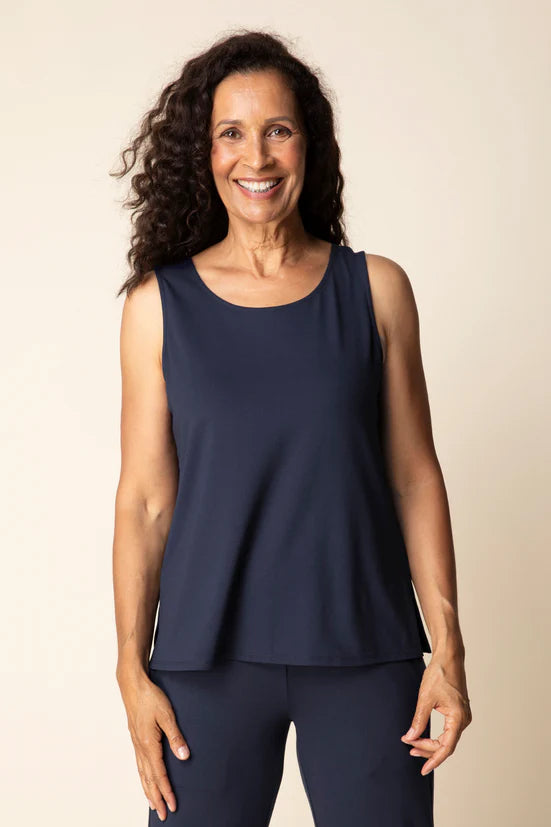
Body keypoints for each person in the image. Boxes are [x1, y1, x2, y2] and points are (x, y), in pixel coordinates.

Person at [111, 29, 472, 826]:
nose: (256, 157)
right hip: (204, 661)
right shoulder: (157, 307)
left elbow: (414, 476)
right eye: (230, 133)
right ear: (204, 152)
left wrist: (447, 648)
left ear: (308, 142)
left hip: (364, 649)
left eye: (277, 129)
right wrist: (130, 671)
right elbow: (144, 501)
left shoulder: (375, 290)